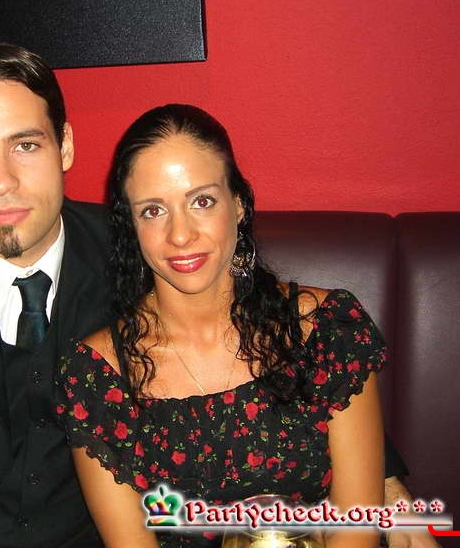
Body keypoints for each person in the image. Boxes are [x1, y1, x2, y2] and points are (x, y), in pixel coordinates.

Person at [0, 45, 432, 548]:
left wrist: (382, 477)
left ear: (64, 146)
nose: (0, 182)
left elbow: (267, 330)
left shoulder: (145, 246)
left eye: (24, 145)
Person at [54, 104, 422, 548]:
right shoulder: (97, 376)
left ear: (239, 204)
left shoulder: (327, 330)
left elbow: (354, 533)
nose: (180, 235)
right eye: (153, 210)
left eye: (202, 201)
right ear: (131, 226)